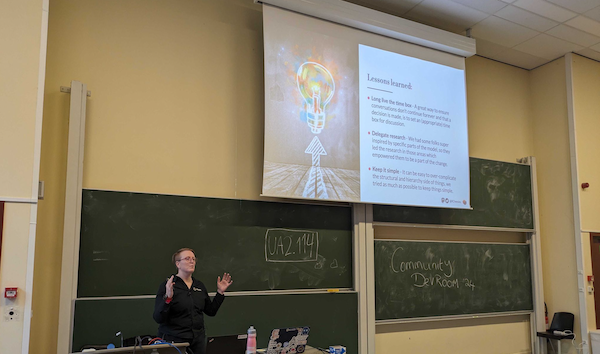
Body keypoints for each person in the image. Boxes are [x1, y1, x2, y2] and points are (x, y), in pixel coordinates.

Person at [153, 248, 233, 354]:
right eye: (187, 258)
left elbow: (211, 311)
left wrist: (220, 293)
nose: (191, 261)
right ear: (178, 264)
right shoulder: (168, 285)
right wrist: (168, 297)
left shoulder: (199, 285)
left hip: (197, 341)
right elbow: (158, 318)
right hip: (175, 340)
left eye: (193, 259)